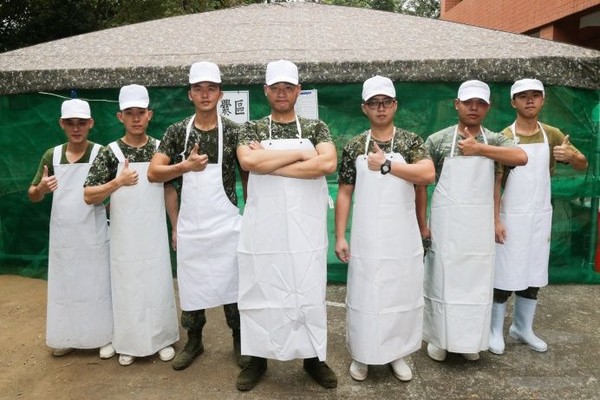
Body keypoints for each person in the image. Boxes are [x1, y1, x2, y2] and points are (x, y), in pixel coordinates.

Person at [235, 60, 338, 391]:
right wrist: (299, 157)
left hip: (305, 227)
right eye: (275, 88)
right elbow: (248, 162)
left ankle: (313, 358)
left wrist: (271, 164)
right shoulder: (250, 128)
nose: (282, 93)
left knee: (307, 286)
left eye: (288, 88)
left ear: (297, 90)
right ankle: (257, 357)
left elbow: (328, 163)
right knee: (260, 286)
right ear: (266, 91)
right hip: (264, 226)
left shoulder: (315, 127)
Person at [148, 61, 249, 371]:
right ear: (190, 94)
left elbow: (246, 173)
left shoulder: (234, 130)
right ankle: (194, 339)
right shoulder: (177, 131)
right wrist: (183, 167)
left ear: (220, 93)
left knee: (234, 285)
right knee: (192, 286)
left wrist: (252, 213)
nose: (205, 95)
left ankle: (239, 339)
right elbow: (154, 172)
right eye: (198, 89)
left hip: (227, 222)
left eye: (212, 89)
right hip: (192, 225)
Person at [418, 80, 528, 362]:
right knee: (442, 279)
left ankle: (470, 342)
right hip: (446, 223)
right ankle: (440, 340)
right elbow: (422, 181)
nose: (474, 108)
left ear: (488, 107)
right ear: (457, 104)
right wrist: (422, 223)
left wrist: (480, 150)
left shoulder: (494, 140)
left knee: (475, 284)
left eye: (480, 103)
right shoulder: (438, 140)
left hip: (478, 227)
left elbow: (521, 156)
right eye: (468, 103)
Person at [334, 76, 435, 382]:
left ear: (395, 105)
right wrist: (340, 235)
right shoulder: (354, 145)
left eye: (386, 102)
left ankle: (396, 354)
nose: (380, 109)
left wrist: (388, 166)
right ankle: (363, 354)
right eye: (374, 103)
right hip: (367, 238)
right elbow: (345, 192)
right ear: (364, 108)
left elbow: (427, 175)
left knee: (399, 294)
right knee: (366, 295)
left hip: (401, 236)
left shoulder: (411, 141)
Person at [489, 78, 588, 355]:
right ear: (513, 102)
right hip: (511, 217)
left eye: (535, 95)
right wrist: (495, 219)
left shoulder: (554, 135)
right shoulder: (503, 138)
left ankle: (522, 328)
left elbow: (582, 165)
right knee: (504, 274)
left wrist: (571, 156)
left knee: (533, 271)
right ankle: (495, 330)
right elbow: (495, 183)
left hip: (539, 216)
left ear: (543, 100)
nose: (529, 100)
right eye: (523, 96)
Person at [83, 84, 179, 366]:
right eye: (130, 113)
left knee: (158, 281)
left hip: (154, 233)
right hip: (124, 235)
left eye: (141, 113)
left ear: (149, 114)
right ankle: (129, 341)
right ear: (119, 116)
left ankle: (161, 338)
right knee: (127, 285)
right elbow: (89, 195)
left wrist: (175, 226)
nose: (136, 118)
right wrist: (118, 183)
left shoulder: (161, 149)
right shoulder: (110, 153)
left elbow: (169, 189)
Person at [28, 99, 114, 359]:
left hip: (95, 231)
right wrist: (41, 189)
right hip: (64, 234)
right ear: (61, 124)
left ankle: (102, 336)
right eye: (70, 123)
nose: (76, 128)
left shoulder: (102, 152)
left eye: (81, 123)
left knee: (97, 285)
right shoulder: (50, 156)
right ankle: (66, 335)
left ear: (91, 124)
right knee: (66, 286)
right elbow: (33, 194)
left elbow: (114, 190)